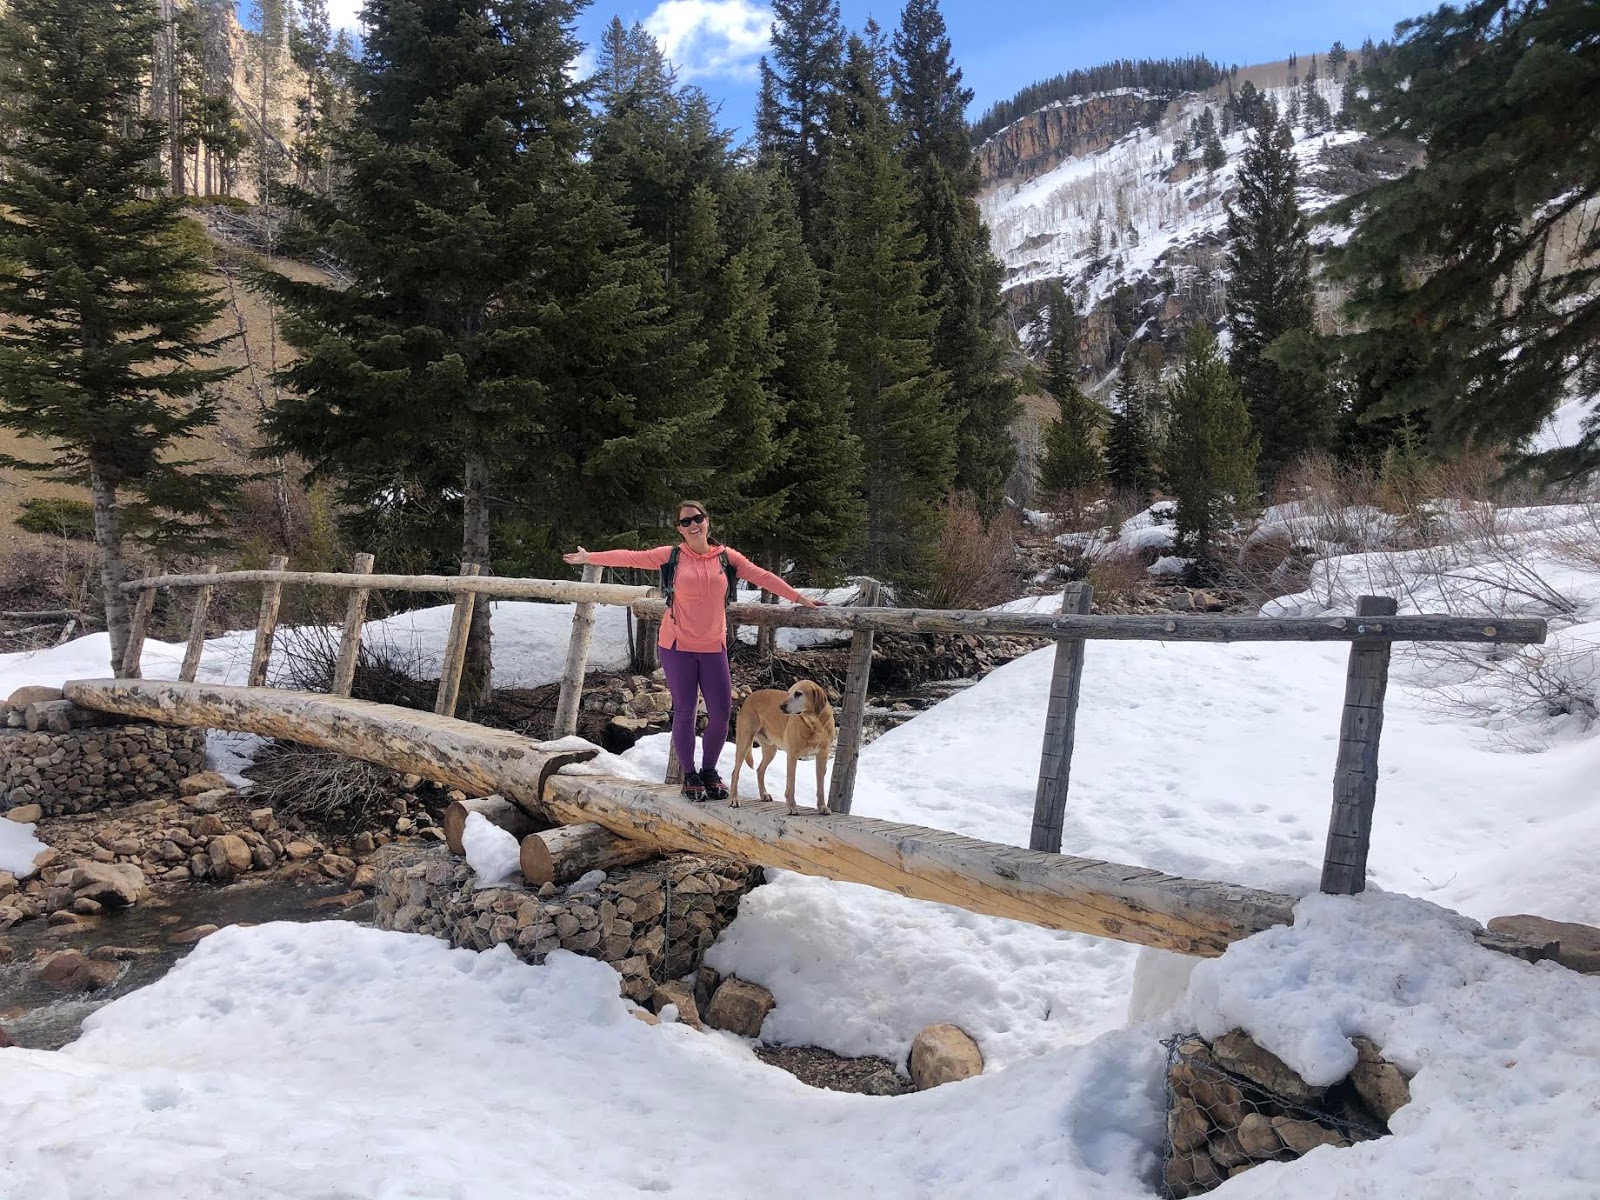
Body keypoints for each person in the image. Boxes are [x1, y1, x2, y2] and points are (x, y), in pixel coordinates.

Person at [564, 501, 821, 801]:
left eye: (697, 518)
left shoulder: (726, 557)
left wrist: (798, 597)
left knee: (722, 713)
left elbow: (761, 576)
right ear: (680, 529)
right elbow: (631, 558)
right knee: (685, 713)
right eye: (685, 522)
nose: (692, 525)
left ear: (707, 521)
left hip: (713, 648)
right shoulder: (671, 556)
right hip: (676, 647)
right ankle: (690, 775)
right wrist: (589, 557)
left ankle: (709, 771)